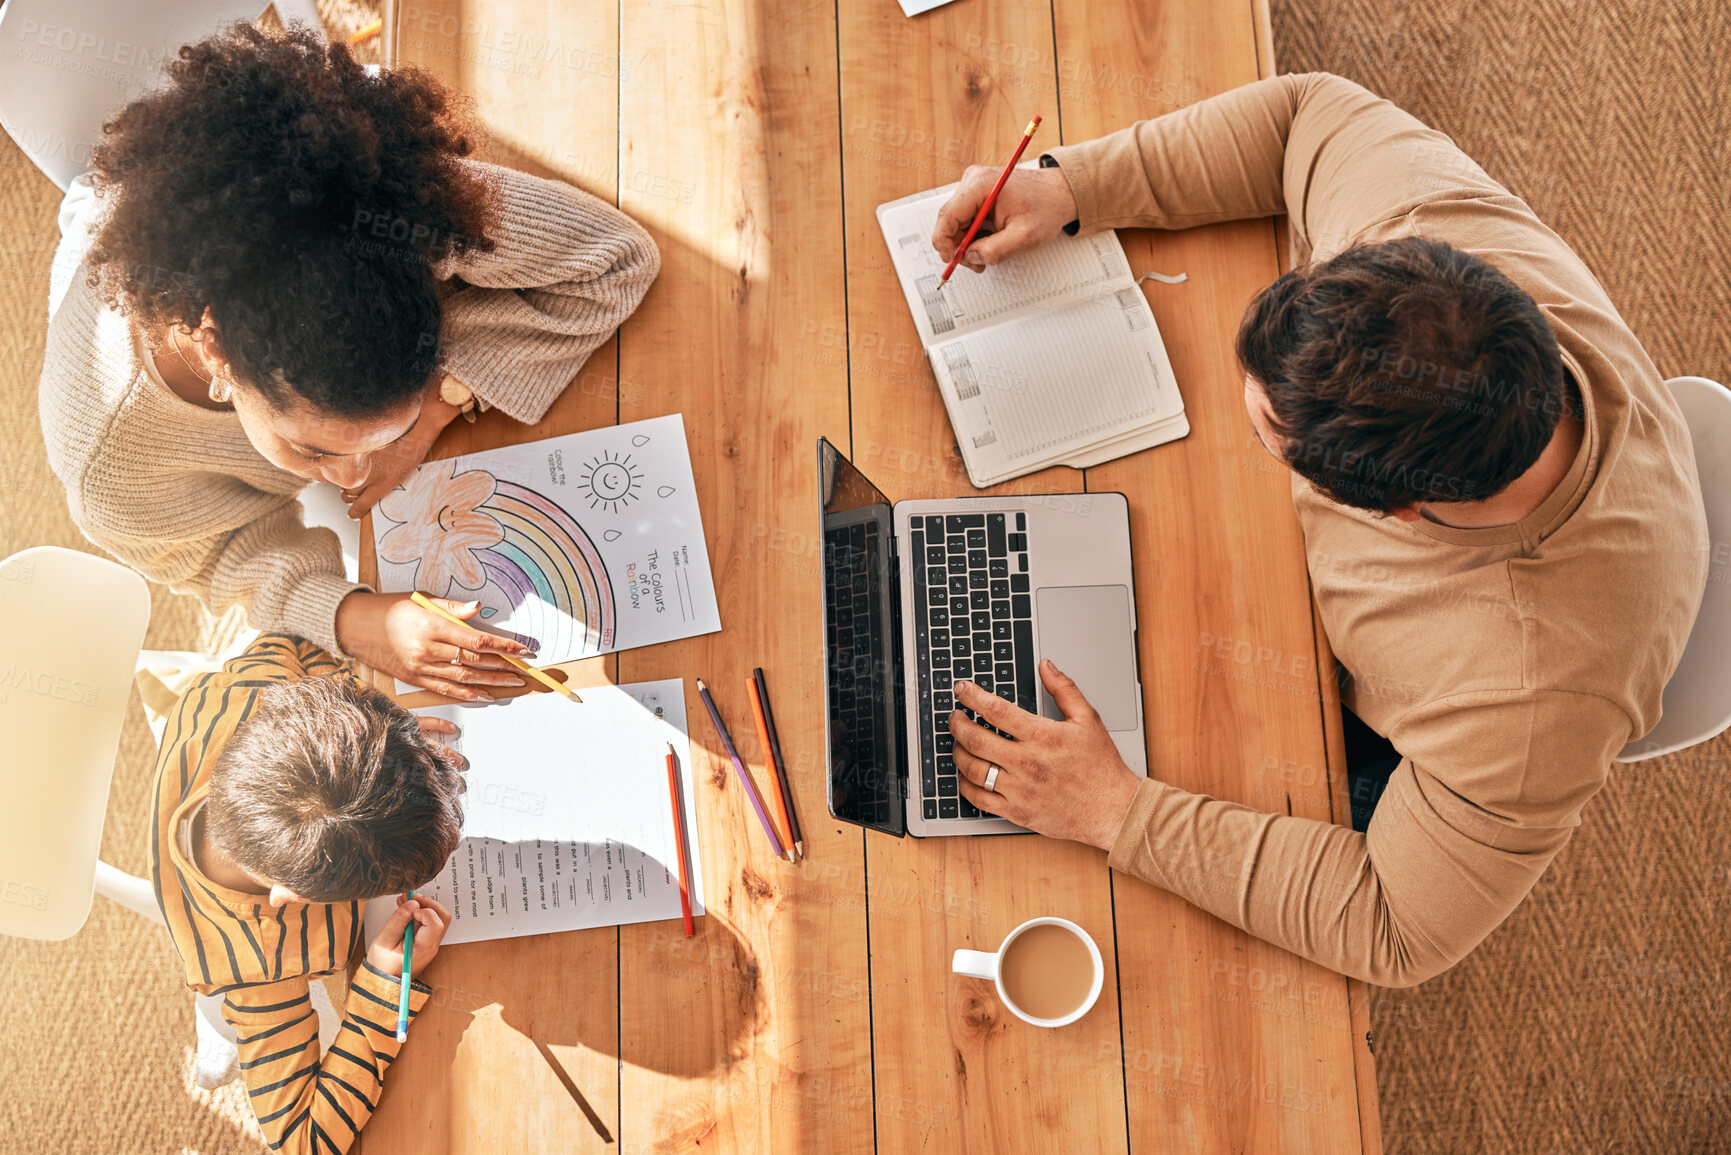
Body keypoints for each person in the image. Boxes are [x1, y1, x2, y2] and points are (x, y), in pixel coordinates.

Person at [931, 73, 1708, 986]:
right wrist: (1073, 186)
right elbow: (1303, 114)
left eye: (1269, 435)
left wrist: (1116, 811)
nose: (1246, 418)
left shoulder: (1528, 704)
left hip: (1421, 721)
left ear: (1397, 513)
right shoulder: (1432, 249)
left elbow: (1395, 928)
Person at [40, 23, 659, 701]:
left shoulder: (386, 212)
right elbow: (219, 561)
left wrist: (433, 411)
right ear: (215, 352)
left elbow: (615, 260)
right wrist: (361, 621)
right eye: (316, 448)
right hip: (119, 221)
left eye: (376, 438)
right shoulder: (113, 471)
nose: (357, 475)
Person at [151, 632, 465, 1153]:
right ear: (290, 897)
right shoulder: (257, 966)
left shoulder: (259, 695)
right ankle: (218, 1038)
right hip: (240, 977)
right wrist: (381, 987)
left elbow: (288, 640)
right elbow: (303, 1142)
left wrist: (382, 731)